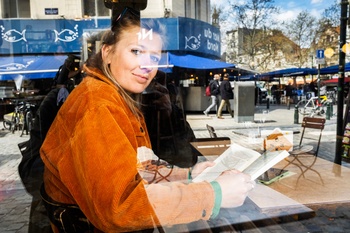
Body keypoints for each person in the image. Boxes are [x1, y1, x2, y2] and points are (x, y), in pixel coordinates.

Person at [39, 7, 254, 232]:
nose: (147, 65)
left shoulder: (115, 95)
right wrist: (213, 194)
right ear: (107, 53)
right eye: (135, 51)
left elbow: (137, 168)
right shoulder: (98, 104)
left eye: (153, 57)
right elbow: (121, 206)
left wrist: (187, 175)